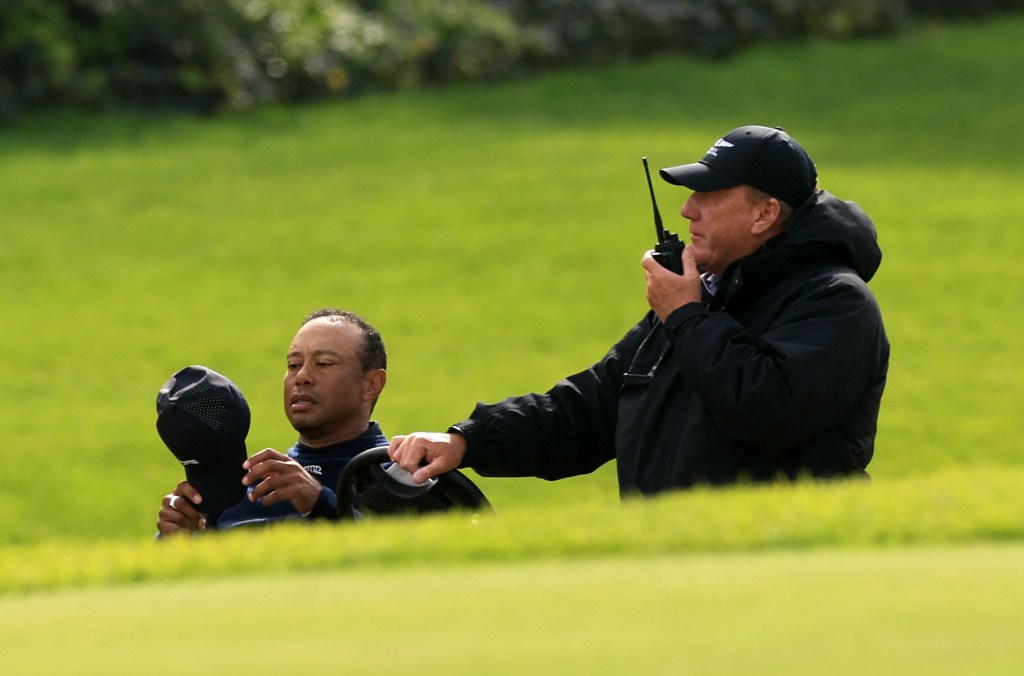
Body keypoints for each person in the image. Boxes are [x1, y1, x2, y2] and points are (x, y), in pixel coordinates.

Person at [389, 125, 890, 496]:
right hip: (668, 560)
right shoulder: (698, 298)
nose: (688, 210)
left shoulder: (833, 301)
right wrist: (468, 441)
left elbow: (766, 411)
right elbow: (587, 411)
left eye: (710, 195)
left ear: (765, 213)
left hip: (777, 566)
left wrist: (687, 317)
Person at [156, 307, 388, 535]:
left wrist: (320, 504)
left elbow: (398, 562)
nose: (302, 377)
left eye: (324, 363)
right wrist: (176, 542)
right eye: (293, 365)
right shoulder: (239, 488)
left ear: (372, 384)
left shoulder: (401, 475)